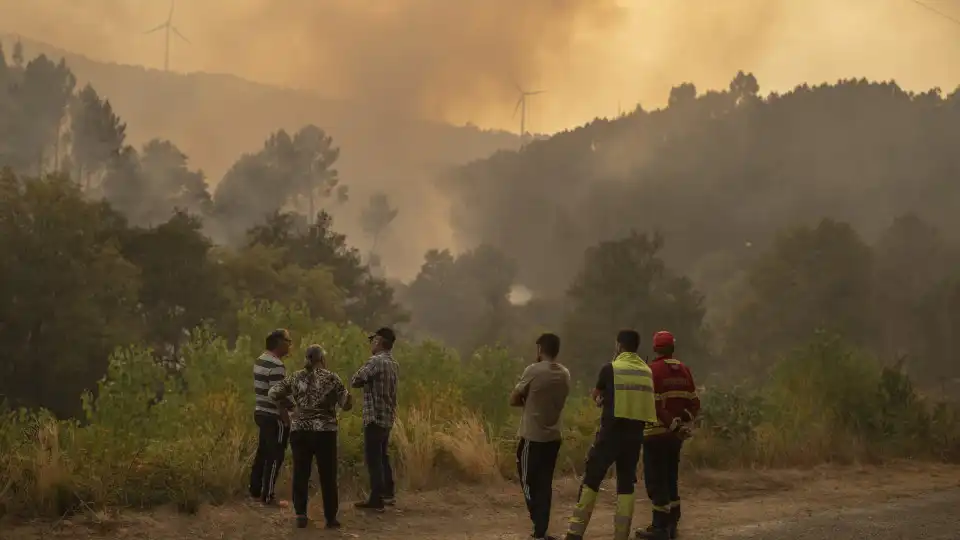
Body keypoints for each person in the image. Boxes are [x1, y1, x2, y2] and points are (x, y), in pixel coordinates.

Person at [564, 330, 657, 540]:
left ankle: (574, 533)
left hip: (611, 434)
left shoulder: (610, 368)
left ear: (619, 345)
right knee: (626, 484)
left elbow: (596, 395)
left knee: (592, 478)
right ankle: (621, 535)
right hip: (634, 436)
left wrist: (602, 400)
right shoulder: (646, 371)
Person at [269, 344, 353, 529]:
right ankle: (330, 518)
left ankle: (300, 514)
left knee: (301, 472)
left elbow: (273, 393)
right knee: (328, 474)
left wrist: (291, 408)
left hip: (300, 431)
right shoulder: (332, 377)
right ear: (322, 359)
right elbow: (346, 404)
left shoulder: (296, 377)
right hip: (325, 432)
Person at [636, 331, 700, 540]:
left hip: (655, 434)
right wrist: (681, 422)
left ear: (655, 349)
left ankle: (660, 528)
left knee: (656, 481)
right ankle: (672, 524)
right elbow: (694, 403)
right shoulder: (684, 370)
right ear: (673, 347)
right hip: (675, 438)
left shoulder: (651, 371)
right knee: (671, 478)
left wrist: (672, 424)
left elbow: (652, 404)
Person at [509, 333, 571, 540]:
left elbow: (513, 398)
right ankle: (542, 528)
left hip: (532, 437)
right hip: (553, 437)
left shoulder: (533, 371)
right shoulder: (565, 374)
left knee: (527, 480)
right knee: (544, 483)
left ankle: (539, 525)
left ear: (540, 349)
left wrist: (526, 401)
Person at [350, 327, 400, 512]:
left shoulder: (376, 361)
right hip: (387, 416)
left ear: (379, 341)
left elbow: (356, 379)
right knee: (382, 455)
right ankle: (388, 493)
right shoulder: (393, 363)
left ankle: (376, 499)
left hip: (374, 416)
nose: (371, 343)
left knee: (373, 458)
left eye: (373, 340)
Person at [249, 328, 294, 505]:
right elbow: (278, 397)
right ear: (280, 343)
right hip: (273, 415)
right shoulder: (276, 365)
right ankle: (268, 496)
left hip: (260, 411)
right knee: (276, 454)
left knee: (263, 452)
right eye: (288, 341)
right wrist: (287, 418)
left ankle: (255, 489)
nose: (290, 345)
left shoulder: (260, 360)